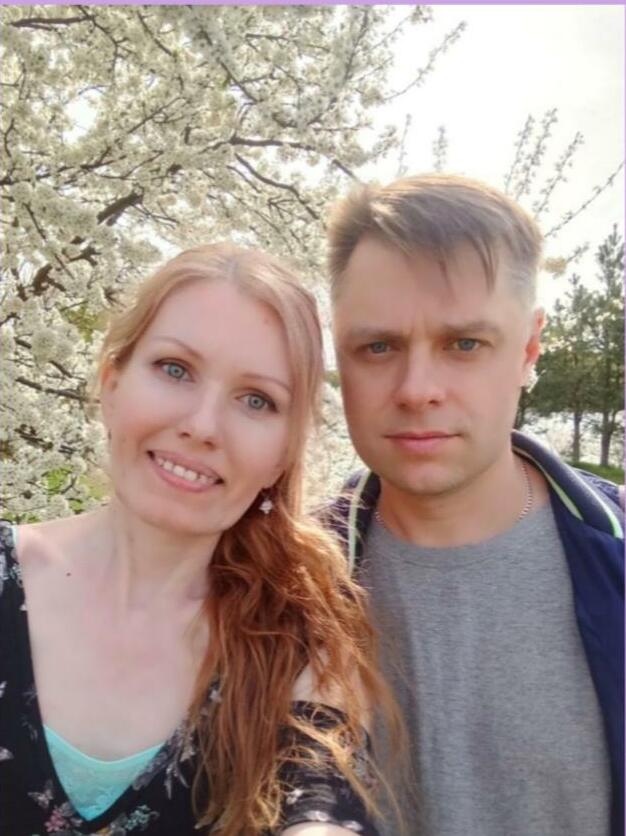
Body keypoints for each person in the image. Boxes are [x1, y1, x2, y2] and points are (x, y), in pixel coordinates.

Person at [0, 243, 399, 836]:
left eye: (256, 400)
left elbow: (319, 798)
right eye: (174, 369)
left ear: (283, 455)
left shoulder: (299, 643)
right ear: (112, 382)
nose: (202, 426)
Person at [325, 174, 624, 836]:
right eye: (378, 347)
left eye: (464, 344)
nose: (417, 389)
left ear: (529, 348)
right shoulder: (282, 581)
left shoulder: (617, 554)